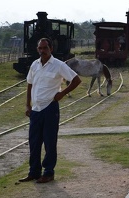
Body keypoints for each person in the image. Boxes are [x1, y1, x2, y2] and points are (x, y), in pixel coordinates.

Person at [18, 38, 82, 184]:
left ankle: (48, 173)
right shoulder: (35, 65)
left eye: (45, 48)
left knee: (49, 142)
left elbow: (76, 80)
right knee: (34, 142)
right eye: (40, 48)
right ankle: (34, 172)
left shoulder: (58, 65)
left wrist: (62, 93)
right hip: (36, 109)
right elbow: (29, 84)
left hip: (50, 108)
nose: (42, 51)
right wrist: (27, 105)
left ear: (51, 49)